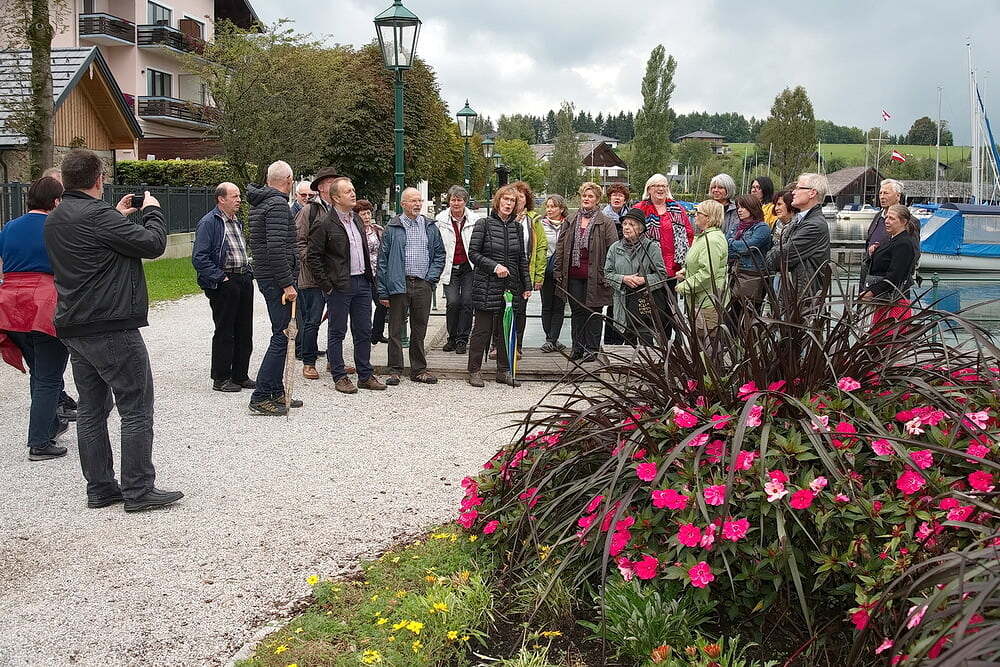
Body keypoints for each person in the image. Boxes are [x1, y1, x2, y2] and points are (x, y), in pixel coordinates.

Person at [44, 148, 183, 511]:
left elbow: (94, 246)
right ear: (99, 179)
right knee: (136, 405)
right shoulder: (98, 215)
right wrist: (152, 210)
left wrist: (118, 216)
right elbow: (153, 244)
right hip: (110, 323)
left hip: (74, 323)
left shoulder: (56, 218)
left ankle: (101, 487)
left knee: (92, 409)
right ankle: (138, 489)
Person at [0, 176, 70, 461]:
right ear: (55, 201)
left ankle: (50, 425)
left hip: (10, 303)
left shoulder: (9, 227)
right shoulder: (56, 228)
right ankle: (39, 442)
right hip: (43, 302)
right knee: (49, 375)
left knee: (39, 370)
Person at [308, 177, 386, 394]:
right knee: (337, 332)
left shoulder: (357, 220)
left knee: (364, 330)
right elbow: (313, 257)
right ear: (335, 198)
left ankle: (365, 375)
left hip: (362, 282)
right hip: (339, 285)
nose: (353, 194)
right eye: (347, 191)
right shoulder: (324, 223)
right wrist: (327, 286)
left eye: (353, 190)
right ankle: (339, 375)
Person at [247, 160, 300, 416]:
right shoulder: (277, 204)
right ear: (288, 181)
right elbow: (276, 248)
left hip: (268, 277)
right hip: (277, 280)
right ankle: (260, 396)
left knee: (282, 333)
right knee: (283, 335)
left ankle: (276, 390)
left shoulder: (261, 203)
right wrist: (287, 284)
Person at [377, 187, 445, 386]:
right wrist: (383, 290)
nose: (417, 204)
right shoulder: (393, 227)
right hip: (399, 283)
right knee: (395, 329)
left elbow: (439, 255)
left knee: (419, 328)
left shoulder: (430, 226)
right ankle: (395, 370)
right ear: (403, 204)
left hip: (422, 283)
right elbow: (382, 260)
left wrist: (430, 279)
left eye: (419, 200)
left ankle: (419, 369)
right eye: (413, 201)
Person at [191, 182, 255, 393]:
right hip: (225, 282)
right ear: (221, 199)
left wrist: (248, 272)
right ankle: (221, 377)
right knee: (225, 330)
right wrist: (221, 278)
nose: (239, 200)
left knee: (244, 330)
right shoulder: (209, 222)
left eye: (239, 196)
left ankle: (240, 374)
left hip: (243, 278)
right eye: (234, 196)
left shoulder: (236, 221)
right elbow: (199, 257)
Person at [466, 185, 531, 387]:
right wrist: (494, 267)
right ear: (498, 201)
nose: (508, 204)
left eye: (512, 201)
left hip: (510, 286)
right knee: (482, 330)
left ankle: (503, 370)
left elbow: (521, 259)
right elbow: (473, 253)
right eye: (505, 199)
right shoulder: (483, 224)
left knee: (506, 330)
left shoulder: (517, 228)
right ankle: (474, 370)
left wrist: (527, 285)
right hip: (487, 284)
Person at [553, 181, 618, 362]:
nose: (586, 199)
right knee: (577, 312)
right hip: (573, 274)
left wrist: (608, 275)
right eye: (584, 196)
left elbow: (613, 250)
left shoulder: (606, 222)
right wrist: (558, 270)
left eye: (590, 196)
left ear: (597, 200)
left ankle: (592, 348)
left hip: (596, 276)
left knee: (594, 312)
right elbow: (561, 246)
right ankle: (577, 347)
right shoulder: (571, 219)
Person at [631, 173, 694, 339]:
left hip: (673, 268)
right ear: (649, 189)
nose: (660, 189)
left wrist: (684, 257)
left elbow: (689, 233)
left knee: (670, 309)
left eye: (663, 186)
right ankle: (650, 344)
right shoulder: (639, 208)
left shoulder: (678, 208)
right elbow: (630, 233)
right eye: (656, 186)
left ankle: (670, 345)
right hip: (649, 268)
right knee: (650, 309)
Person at [293, 167, 337, 380]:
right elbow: (298, 241)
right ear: (320, 187)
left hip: (335, 276)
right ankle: (308, 362)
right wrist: (311, 260)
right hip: (312, 277)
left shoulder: (340, 209)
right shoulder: (309, 210)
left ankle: (334, 360)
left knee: (337, 320)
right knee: (312, 320)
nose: (333, 185)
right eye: (329, 182)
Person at [765, 173, 831, 308]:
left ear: (812, 193)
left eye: (799, 188)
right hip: (793, 295)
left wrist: (772, 254)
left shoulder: (814, 225)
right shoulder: (799, 220)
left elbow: (782, 256)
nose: (793, 192)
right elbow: (780, 251)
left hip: (804, 299)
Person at [604, 208, 668, 345]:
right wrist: (623, 279)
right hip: (622, 302)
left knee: (647, 343)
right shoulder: (615, 248)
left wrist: (643, 280)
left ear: (640, 229)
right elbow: (607, 274)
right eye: (625, 224)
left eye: (631, 225)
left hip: (644, 304)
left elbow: (662, 275)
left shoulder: (651, 247)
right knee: (628, 342)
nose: (626, 227)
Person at [860, 204, 920, 333]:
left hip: (894, 302)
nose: (887, 221)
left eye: (892, 218)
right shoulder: (892, 239)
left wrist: (871, 292)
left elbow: (895, 276)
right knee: (877, 339)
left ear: (903, 222)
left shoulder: (904, 243)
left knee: (887, 340)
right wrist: (875, 252)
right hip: (884, 301)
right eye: (886, 217)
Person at [435, 185, 480, 354]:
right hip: (450, 267)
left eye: (459, 200)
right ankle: (452, 338)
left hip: (468, 267)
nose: (456, 203)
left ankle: (462, 339)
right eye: (453, 200)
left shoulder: (475, 220)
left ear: (465, 202)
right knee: (453, 302)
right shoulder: (440, 220)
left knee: (467, 302)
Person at [676, 200, 729, 335]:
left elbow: (707, 273)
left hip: (708, 301)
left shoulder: (712, 240)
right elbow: (700, 263)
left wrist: (683, 286)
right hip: (702, 299)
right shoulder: (706, 236)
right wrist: (686, 271)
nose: (695, 215)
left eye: (698, 213)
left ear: (708, 218)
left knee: (707, 341)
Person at [511, 181, 547, 353]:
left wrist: (539, 275)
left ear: (527, 199)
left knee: (521, 309)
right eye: (515, 197)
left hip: (525, 270)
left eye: (522, 196)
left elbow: (541, 247)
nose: (518, 200)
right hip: (506, 270)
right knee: (502, 308)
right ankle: (498, 345)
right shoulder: (504, 217)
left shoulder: (533, 220)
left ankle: (518, 345)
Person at [726, 194, 773, 317]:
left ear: (752, 208)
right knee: (733, 313)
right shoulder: (736, 226)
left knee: (748, 313)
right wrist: (735, 246)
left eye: (743, 207)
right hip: (735, 272)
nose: (739, 210)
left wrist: (731, 243)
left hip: (752, 275)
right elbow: (727, 249)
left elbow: (748, 247)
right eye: (738, 207)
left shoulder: (762, 228)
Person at [861, 179, 905, 288]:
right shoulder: (878, 217)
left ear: (898, 196)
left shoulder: (907, 221)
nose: (882, 197)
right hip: (869, 278)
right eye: (880, 193)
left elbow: (911, 255)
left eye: (886, 193)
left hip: (890, 285)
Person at [601, 183, 630, 345]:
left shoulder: (630, 217)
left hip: (626, 266)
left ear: (625, 199)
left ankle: (623, 341)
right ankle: (609, 342)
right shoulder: (602, 217)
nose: (617, 198)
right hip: (609, 266)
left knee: (625, 304)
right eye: (614, 195)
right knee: (611, 306)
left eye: (620, 195)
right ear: (609, 198)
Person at [539, 194, 568, 353]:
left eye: (553, 206)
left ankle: (552, 339)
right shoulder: (540, 225)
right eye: (548, 206)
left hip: (562, 271)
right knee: (547, 304)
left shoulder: (568, 225)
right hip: (545, 269)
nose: (549, 209)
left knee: (559, 305)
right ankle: (550, 339)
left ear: (561, 209)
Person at [356, 199, 387, 345]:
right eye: (363, 214)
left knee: (382, 303)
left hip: (377, 273)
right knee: (364, 307)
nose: (367, 217)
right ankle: (365, 334)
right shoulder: (355, 232)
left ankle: (377, 333)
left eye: (368, 213)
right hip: (363, 274)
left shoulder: (377, 229)